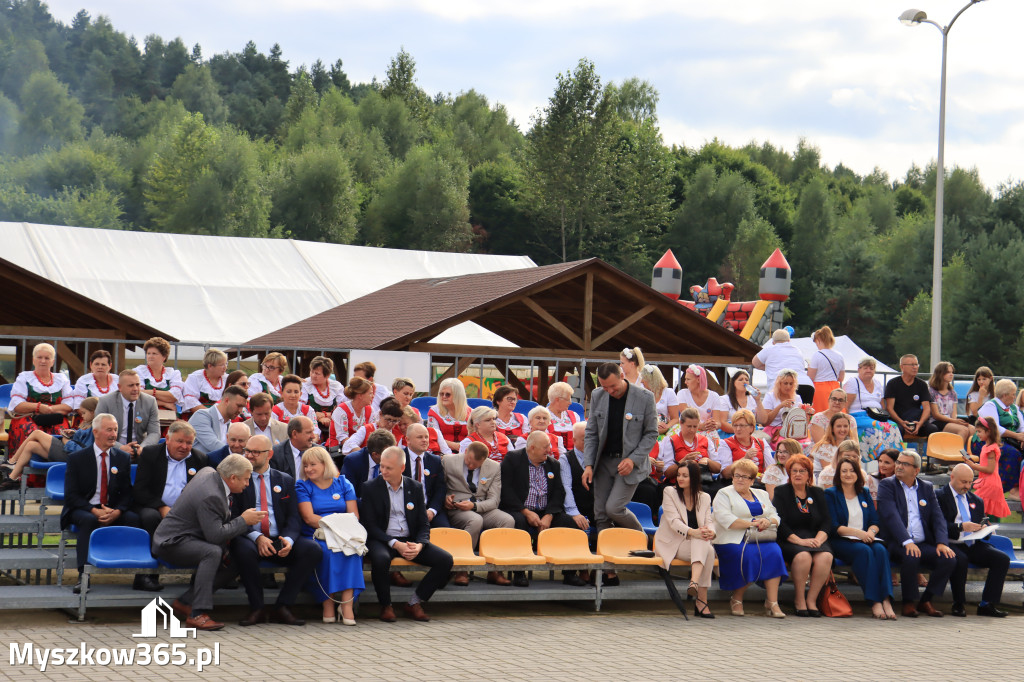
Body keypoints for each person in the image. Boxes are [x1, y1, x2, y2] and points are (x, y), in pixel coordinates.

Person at [152, 455, 267, 631]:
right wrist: (244, 520)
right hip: (172, 542)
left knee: (236, 560)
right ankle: (197, 614)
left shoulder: (209, 472)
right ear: (233, 478)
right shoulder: (211, 495)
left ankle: (186, 602)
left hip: (190, 536)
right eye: (245, 479)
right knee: (212, 552)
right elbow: (215, 536)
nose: (247, 484)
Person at [228, 435, 321, 626]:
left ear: (269, 454)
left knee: (312, 550)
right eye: (247, 451)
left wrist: (288, 539)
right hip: (251, 538)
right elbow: (233, 516)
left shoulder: (285, 480)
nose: (249, 455)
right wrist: (257, 538)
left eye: (255, 452)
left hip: (278, 538)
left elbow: (294, 517)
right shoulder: (238, 479)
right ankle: (257, 608)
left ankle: (283, 606)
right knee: (242, 549)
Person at [359, 446, 454, 622]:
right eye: (382, 466)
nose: (383, 471)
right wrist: (395, 543)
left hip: (410, 539)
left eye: (389, 468)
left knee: (445, 560)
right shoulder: (370, 487)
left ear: (402, 468)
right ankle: (385, 606)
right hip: (382, 539)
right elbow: (369, 526)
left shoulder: (415, 487)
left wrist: (419, 544)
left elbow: (423, 524)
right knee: (380, 559)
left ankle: (415, 603)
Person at [60, 413, 140, 593]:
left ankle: (142, 576)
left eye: (116, 430)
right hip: (83, 507)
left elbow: (127, 492)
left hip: (111, 508)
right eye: (109, 430)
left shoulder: (122, 458)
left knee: (136, 518)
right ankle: (83, 575)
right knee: (88, 520)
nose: (113, 434)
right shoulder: (77, 459)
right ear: (95, 432)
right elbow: (71, 496)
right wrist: (93, 510)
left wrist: (118, 511)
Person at [876, 450, 957, 617]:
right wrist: (906, 541)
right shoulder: (887, 485)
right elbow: (891, 515)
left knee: (948, 558)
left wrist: (942, 542)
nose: (899, 466)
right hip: (897, 542)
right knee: (911, 555)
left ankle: (926, 600)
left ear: (916, 470)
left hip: (922, 542)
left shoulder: (926, 487)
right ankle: (908, 602)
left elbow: (938, 517)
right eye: (898, 462)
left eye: (904, 464)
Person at [581, 363, 659, 535]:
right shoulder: (597, 395)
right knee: (601, 514)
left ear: (622, 376)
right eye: (604, 387)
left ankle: (642, 539)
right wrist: (588, 465)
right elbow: (591, 432)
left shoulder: (645, 397)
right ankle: (607, 549)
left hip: (629, 463)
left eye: (613, 386)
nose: (609, 391)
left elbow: (651, 433)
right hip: (603, 462)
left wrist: (633, 459)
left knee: (614, 508)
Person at [132, 420, 208, 592]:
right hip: (153, 507)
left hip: (186, 511)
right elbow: (140, 491)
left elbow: (203, 493)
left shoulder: (200, 459)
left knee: (206, 519)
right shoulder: (151, 454)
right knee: (150, 518)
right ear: (168, 439)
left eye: (189, 443)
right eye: (180, 441)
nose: (184, 446)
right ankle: (146, 575)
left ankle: (199, 577)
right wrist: (161, 507)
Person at [500, 432, 580, 587]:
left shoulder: (553, 464)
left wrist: (549, 515)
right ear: (532, 448)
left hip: (546, 511)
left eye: (549, 445)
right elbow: (506, 490)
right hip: (520, 509)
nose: (549, 450)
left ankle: (570, 573)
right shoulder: (513, 459)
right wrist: (525, 511)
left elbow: (559, 492)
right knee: (518, 523)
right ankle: (519, 572)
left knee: (570, 525)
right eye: (545, 447)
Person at [294, 445, 361, 625]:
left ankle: (346, 605)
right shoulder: (302, 486)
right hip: (316, 534)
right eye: (305, 465)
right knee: (326, 553)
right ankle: (328, 603)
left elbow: (354, 515)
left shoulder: (344, 483)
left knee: (353, 551)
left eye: (313, 465)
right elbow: (309, 517)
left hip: (343, 535)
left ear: (325, 464)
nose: (308, 469)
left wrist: (337, 527)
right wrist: (336, 524)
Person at [712, 458, 787, 618]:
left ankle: (772, 602)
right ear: (732, 477)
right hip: (731, 538)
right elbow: (726, 520)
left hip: (760, 537)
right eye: (737, 475)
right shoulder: (724, 493)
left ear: (752, 480)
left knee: (775, 552)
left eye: (745, 477)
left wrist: (768, 521)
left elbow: (776, 516)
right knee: (749, 555)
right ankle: (737, 599)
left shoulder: (762, 494)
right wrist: (752, 523)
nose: (740, 479)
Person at [824, 455, 897, 620]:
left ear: (858, 473)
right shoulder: (831, 494)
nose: (848, 474)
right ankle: (874, 601)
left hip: (865, 538)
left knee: (880, 550)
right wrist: (859, 534)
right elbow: (833, 526)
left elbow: (874, 521)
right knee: (864, 551)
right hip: (841, 541)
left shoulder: (863, 492)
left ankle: (886, 599)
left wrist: (871, 532)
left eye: (852, 470)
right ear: (838, 474)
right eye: (844, 471)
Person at [935, 463, 1010, 617]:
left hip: (974, 543)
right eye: (963, 482)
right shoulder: (939, 496)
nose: (967, 486)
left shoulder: (976, 499)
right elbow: (937, 525)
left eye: (970, 482)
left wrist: (985, 528)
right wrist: (961, 526)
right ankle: (959, 603)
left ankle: (987, 604)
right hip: (951, 542)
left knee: (1002, 559)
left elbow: (980, 523)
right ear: (952, 477)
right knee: (960, 559)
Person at [442, 441, 514, 586]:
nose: (471, 466)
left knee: (508, 520)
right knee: (475, 521)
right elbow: (438, 487)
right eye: (469, 461)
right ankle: (462, 569)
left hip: (481, 506)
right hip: (458, 508)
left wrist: (474, 506)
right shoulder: (448, 461)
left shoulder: (494, 467)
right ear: (466, 451)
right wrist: (445, 499)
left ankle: (495, 570)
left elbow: (494, 500)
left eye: (476, 465)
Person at [773, 453, 833, 616]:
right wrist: (800, 541)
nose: (798, 474)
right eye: (794, 471)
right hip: (790, 538)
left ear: (809, 474)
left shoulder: (818, 493)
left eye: (802, 471)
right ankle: (799, 599)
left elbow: (827, 521)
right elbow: (780, 522)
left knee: (825, 557)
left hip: (815, 537)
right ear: (789, 473)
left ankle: (812, 600)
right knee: (803, 557)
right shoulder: (781, 492)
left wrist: (819, 539)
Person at [654, 460, 716, 618]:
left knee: (707, 548)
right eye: (679, 475)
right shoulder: (670, 492)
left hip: (695, 544)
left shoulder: (704, 497)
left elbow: (709, 521)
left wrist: (711, 532)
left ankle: (694, 584)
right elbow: (673, 521)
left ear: (694, 478)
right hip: (672, 543)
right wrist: (693, 532)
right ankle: (701, 600)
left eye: (685, 476)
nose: (680, 479)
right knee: (705, 546)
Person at [2, 397, 97, 489]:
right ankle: (13, 478)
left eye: (84, 413)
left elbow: (83, 451)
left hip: (71, 455)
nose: (82, 416)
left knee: (37, 433)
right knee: (31, 445)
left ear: (93, 412)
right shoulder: (88, 424)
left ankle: (12, 461)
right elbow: (81, 439)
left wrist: (67, 441)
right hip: (68, 451)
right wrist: (73, 433)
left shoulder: (95, 429)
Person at [6, 343, 74, 454]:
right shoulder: (24, 377)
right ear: (33, 360)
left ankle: (55, 464)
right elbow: (17, 405)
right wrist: (38, 407)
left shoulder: (61, 379)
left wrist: (50, 409)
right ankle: (29, 466)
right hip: (29, 417)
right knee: (32, 431)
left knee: (61, 433)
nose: (43, 361)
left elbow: (69, 406)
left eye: (47, 358)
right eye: (39, 357)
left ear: (52, 361)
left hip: (55, 418)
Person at [845, 356, 902, 462]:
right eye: (865, 368)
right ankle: (877, 458)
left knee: (893, 426)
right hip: (858, 415)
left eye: (871, 368)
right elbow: (846, 405)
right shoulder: (853, 382)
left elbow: (882, 405)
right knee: (879, 426)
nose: (868, 370)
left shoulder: (877, 383)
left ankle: (894, 459)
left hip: (875, 415)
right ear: (859, 369)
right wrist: (847, 422)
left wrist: (884, 416)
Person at [95, 369, 161, 459]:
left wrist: (143, 448)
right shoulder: (105, 402)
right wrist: (120, 447)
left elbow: (154, 432)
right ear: (120, 387)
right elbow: (99, 432)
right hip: (113, 450)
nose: (135, 389)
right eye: (131, 385)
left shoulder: (150, 401)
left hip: (140, 451)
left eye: (137, 385)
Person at [977, 379, 1024, 498]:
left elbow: (1022, 426)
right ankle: (1011, 490)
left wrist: (1022, 437)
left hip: (1009, 441)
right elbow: (995, 428)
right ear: (1004, 395)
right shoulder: (990, 406)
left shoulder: (1014, 408)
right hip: (988, 440)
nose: (1015, 397)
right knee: (1012, 453)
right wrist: (1016, 436)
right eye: (1013, 394)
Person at [403, 423, 449, 528]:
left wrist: (432, 511)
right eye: (420, 437)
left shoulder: (435, 460)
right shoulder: (399, 459)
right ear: (408, 440)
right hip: (404, 510)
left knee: (446, 532)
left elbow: (440, 489)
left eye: (426, 437)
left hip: (429, 508)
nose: (424, 440)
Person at [659, 408, 720, 485]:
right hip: (678, 484)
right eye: (689, 426)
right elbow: (667, 473)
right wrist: (684, 461)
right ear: (681, 423)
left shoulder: (706, 440)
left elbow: (718, 469)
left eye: (695, 426)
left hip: (702, 482)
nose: (692, 430)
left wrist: (708, 461)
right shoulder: (670, 441)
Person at [884, 354, 939, 441]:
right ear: (902, 367)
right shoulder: (893, 383)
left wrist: (920, 423)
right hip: (898, 420)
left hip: (916, 420)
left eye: (916, 364)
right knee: (897, 429)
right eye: (912, 365)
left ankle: (932, 454)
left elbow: (927, 408)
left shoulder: (922, 384)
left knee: (933, 429)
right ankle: (897, 454)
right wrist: (901, 422)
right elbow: (889, 408)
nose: (915, 367)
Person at [753, 328, 814, 405]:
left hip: (784, 385)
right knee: (805, 413)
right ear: (789, 341)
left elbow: (755, 363)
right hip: (807, 385)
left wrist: (770, 368)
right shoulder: (797, 350)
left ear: (773, 342)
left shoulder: (769, 349)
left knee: (783, 414)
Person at [966, 417, 1011, 518]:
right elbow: (986, 466)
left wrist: (974, 466)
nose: (977, 434)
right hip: (986, 482)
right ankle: (988, 530)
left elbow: (990, 470)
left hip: (990, 484)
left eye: (979, 431)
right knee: (981, 514)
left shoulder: (991, 449)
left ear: (989, 431)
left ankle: (988, 531)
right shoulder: (985, 447)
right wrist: (974, 465)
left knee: (976, 506)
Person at [758, 369, 813, 448]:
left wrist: (807, 413)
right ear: (779, 383)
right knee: (786, 445)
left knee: (807, 444)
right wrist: (780, 406)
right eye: (785, 383)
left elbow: (802, 421)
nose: (788, 386)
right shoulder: (770, 396)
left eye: (791, 384)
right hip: (775, 431)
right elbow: (765, 422)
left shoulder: (797, 398)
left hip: (794, 431)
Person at [716, 408, 775, 480]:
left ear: (752, 428)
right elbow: (725, 474)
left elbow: (772, 468)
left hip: (758, 484)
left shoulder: (761, 443)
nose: (738, 429)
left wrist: (765, 476)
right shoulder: (725, 443)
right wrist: (745, 458)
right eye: (735, 425)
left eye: (742, 426)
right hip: (735, 484)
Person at [188, 385, 249, 454]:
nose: (240, 411)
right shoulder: (201, 416)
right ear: (226, 401)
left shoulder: (230, 425)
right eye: (238, 406)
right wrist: (240, 456)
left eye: (242, 407)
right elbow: (212, 444)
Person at [341, 429, 397, 500]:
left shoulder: (393, 461)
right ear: (375, 454)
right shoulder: (353, 461)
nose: (392, 456)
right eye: (388, 454)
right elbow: (347, 494)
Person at [928, 361, 973, 447]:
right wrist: (954, 421)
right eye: (948, 372)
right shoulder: (932, 391)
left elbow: (954, 413)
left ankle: (967, 455)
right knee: (963, 430)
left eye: (952, 372)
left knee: (972, 429)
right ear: (940, 374)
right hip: (937, 421)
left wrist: (956, 421)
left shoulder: (953, 393)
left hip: (951, 421)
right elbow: (936, 414)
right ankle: (954, 454)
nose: (951, 374)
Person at [134, 337, 184, 411]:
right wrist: (164, 403)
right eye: (148, 353)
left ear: (164, 357)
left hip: (169, 413)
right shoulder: (139, 371)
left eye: (154, 353)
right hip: (145, 411)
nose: (150, 356)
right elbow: (137, 396)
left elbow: (174, 396)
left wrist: (150, 392)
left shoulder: (173, 373)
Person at [676, 365, 721, 444]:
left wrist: (713, 425)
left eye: (688, 379)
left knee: (714, 438)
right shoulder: (682, 393)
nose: (685, 382)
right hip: (687, 428)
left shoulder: (714, 396)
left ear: (698, 380)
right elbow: (686, 416)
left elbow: (718, 422)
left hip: (707, 430)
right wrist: (700, 426)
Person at [302, 356, 344, 442]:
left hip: (333, 427)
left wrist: (327, 416)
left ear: (327, 375)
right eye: (312, 372)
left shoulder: (336, 387)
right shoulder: (305, 385)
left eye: (317, 373)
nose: (313, 375)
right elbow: (300, 409)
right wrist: (316, 416)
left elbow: (343, 410)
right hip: (310, 428)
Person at [807, 325, 845, 413]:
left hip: (819, 389)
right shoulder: (839, 355)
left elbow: (810, 377)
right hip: (835, 387)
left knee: (819, 416)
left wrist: (809, 368)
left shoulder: (817, 355)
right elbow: (841, 378)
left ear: (818, 340)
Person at [713, 370, 763, 436]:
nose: (744, 381)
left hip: (751, 433)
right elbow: (722, 422)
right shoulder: (724, 399)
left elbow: (763, 421)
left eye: (747, 380)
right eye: (740, 380)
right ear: (733, 383)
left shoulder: (753, 399)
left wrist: (758, 401)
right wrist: (742, 431)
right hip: (731, 432)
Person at [330, 377, 376, 449]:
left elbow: (372, 434)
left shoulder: (370, 410)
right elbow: (343, 438)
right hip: (339, 451)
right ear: (360, 395)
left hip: (360, 450)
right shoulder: (341, 411)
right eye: (370, 393)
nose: (373, 396)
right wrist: (359, 453)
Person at [428, 378, 472, 452]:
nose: (444, 396)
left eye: (447, 394)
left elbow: (475, 437)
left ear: (458, 395)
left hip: (467, 453)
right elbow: (434, 437)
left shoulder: (471, 413)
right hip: (441, 453)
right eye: (441, 394)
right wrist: (457, 446)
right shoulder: (434, 411)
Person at [809, 411, 856, 478]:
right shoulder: (824, 447)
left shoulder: (851, 445)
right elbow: (829, 471)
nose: (842, 429)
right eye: (839, 426)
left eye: (845, 426)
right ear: (832, 429)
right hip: (826, 479)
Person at [181, 349, 230, 413]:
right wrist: (210, 414)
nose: (225, 367)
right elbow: (190, 402)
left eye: (226, 364)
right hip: (197, 416)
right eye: (222, 365)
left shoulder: (227, 379)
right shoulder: (195, 377)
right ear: (210, 366)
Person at [270, 416, 317, 480]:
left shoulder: (319, 452)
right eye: (308, 432)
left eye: (313, 431)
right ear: (294, 434)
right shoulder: (276, 454)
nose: (313, 436)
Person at [640, 364, 679, 435]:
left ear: (651, 380)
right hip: (648, 427)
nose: (641, 381)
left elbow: (675, 419)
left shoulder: (669, 392)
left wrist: (666, 427)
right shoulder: (642, 393)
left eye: (644, 379)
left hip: (665, 428)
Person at [546, 382, 581, 451]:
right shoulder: (542, 416)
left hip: (573, 456)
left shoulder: (574, 415)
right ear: (557, 400)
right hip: (552, 455)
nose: (570, 403)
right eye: (568, 399)